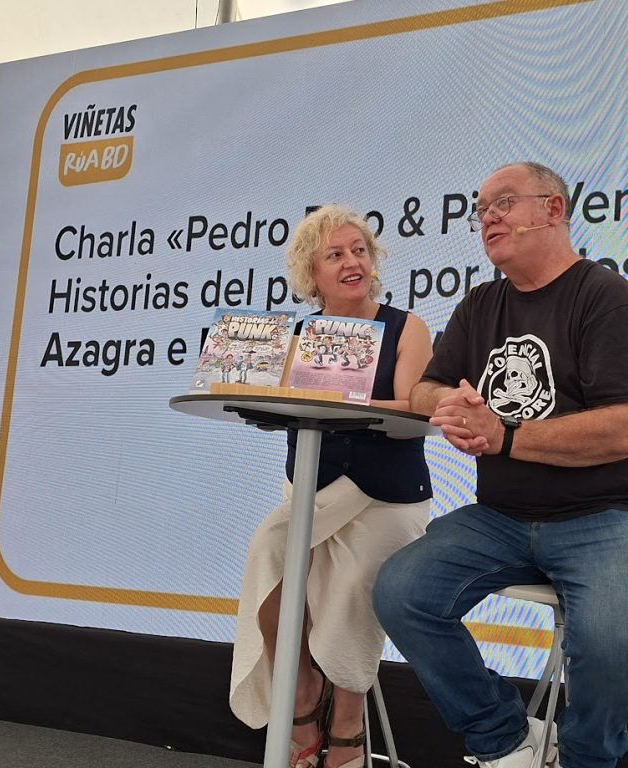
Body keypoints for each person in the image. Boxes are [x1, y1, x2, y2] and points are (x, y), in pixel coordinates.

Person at [373, 162, 628, 768]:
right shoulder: (482, 303)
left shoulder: (606, 297)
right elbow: (425, 389)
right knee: (401, 592)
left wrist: (504, 435)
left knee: (613, 645)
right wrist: (452, 405)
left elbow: (625, 430)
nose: (488, 218)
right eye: (481, 210)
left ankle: (584, 758)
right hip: (503, 517)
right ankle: (505, 741)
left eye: (503, 203)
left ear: (553, 209)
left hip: (612, 515)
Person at [230, 204, 434, 768]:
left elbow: (413, 406)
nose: (352, 262)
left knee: (350, 589)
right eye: (336, 254)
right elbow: (273, 402)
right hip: (312, 494)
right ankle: (301, 699)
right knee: (268, 561)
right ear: (312, 274)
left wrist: (341, 396)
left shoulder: (407, 327)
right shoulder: (297, 335)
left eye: (359, 250)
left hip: (388, 497)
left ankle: (347, 725)